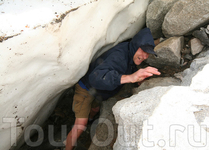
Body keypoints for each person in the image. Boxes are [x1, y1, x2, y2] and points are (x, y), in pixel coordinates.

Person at [65, 27, 161, 150]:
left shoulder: (130, 52)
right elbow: (96, 78)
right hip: (86, 89)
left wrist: (138, 77)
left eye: (148, 53)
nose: (145, 56)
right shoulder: (119, 56)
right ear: (136, 45)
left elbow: (128, 67)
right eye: (143, 51)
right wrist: (131, 77)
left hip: (99, 92)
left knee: (95, 108)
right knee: (80, 125)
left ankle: (90, 120)